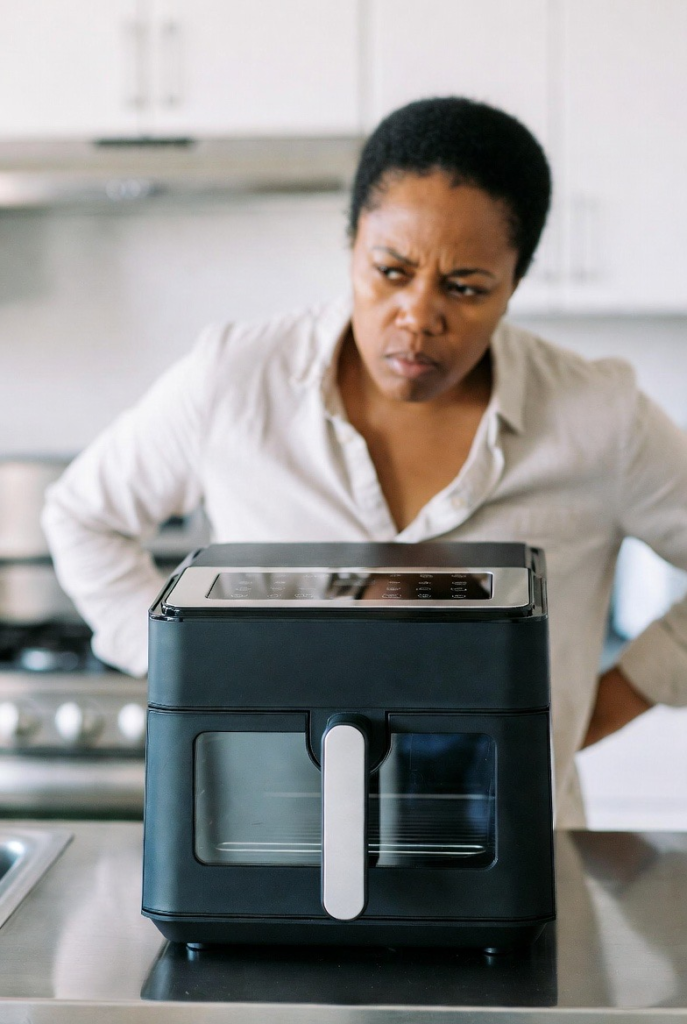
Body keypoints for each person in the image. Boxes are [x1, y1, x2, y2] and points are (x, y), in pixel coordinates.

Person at [42, 97, 687, 827]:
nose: (418, 316)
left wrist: (616, 697)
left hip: (509, 849)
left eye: (465, 287)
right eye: (390, 270)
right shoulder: (236, 381)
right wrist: (189, 672)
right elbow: (81, 516)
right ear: (351, 244)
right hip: (275, 841)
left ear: (514, 283)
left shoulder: (599, 419)